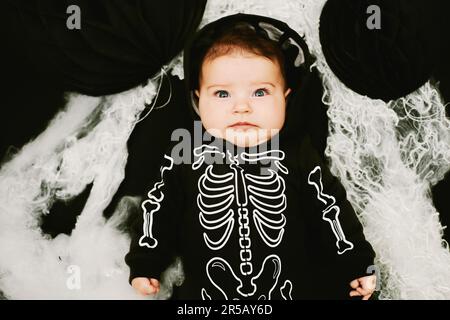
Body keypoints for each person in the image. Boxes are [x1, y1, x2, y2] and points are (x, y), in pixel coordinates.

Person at [125, 13, 376, 300]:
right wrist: (145, 263)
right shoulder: (186, 155)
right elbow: (158, 209)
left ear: (285, 97)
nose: (241, 106)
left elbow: (332, 210)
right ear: (198, 101)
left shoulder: (298, 153)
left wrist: (358, 265)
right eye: (221, 94)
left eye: (260, 92)